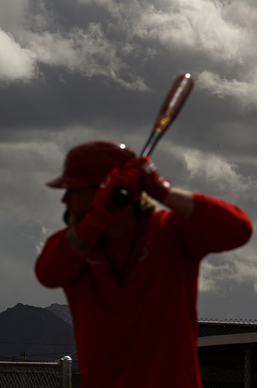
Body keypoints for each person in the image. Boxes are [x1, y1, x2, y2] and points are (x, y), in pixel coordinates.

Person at [35, 141, 252, 388]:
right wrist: (102, 213)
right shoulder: (74, 246)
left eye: (74, 190)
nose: (65, 199)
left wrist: (161, 189)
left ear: (103, 189)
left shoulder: (170, 232)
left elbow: (239, 229)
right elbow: (47, 273)